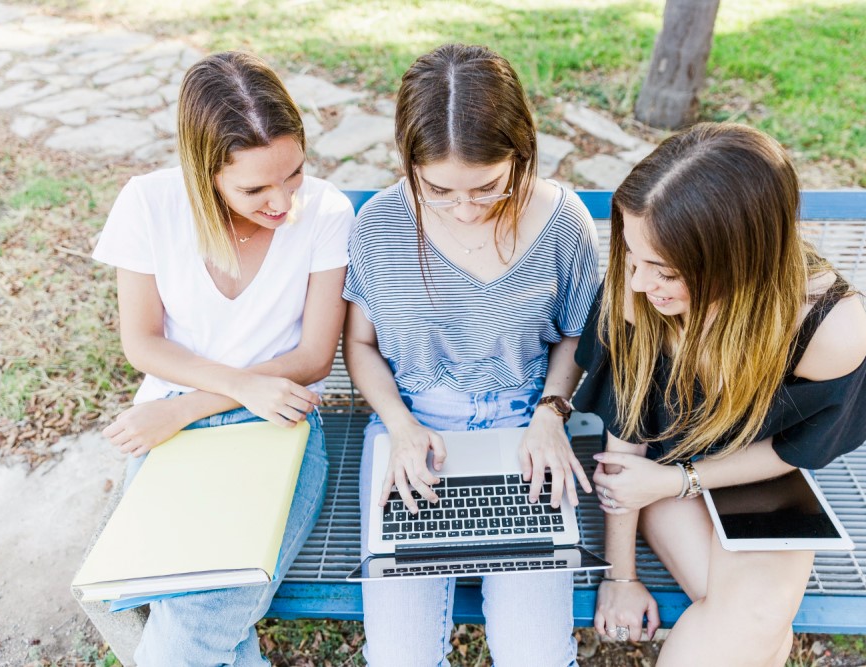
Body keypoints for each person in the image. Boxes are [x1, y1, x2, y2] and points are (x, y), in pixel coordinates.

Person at [573, 122, 866, 666]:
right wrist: (620, 576)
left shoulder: (826, 329)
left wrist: (681, 480)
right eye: (633, 256)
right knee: (758, 627)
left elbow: (793, 450)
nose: (637, 283)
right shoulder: (637, 292)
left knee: (753, 621)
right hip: (660, 470)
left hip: (759, 478)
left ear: (738, 261)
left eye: (663, 270)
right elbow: (627, 446)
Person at [342, 43, 600, 666]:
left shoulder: (564, 224)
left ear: (521, 152)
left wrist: (550, 415)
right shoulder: (379, 224)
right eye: (437, 189)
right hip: (412, 434)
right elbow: (359, 343)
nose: (463, 209)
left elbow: (577, 338)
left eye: (487, 186)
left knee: (538, 656)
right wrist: (402, 428)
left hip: (527, 429)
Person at [91, 51, 353, 665]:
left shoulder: (326, 212)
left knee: (197, 615)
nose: (283, 202)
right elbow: (144, 342)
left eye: (294, 174)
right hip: (171, 425)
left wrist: (196, 405)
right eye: (255, 188)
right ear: (202, 171)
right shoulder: (148, 204)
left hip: (277, 423)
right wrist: (196, 407)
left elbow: (314, 357)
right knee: (192, 603)